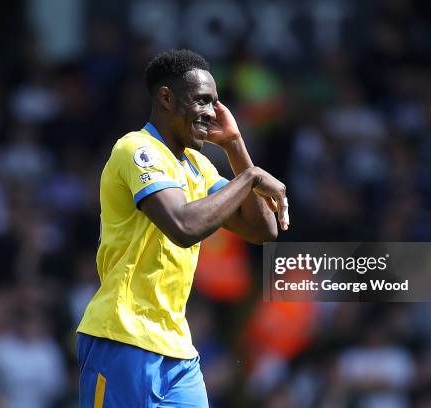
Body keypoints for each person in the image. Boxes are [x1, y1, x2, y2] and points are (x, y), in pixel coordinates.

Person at [77, 49, 289, 407]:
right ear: (166, 98)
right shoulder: (136, 150)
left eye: (216, 103)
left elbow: (262, 229)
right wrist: (252, 177)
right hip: (122, 336)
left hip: (177, 350)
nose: (211, 112)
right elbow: (182, 225)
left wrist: (236, 147)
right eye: (203, 101)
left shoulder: (199, 167)